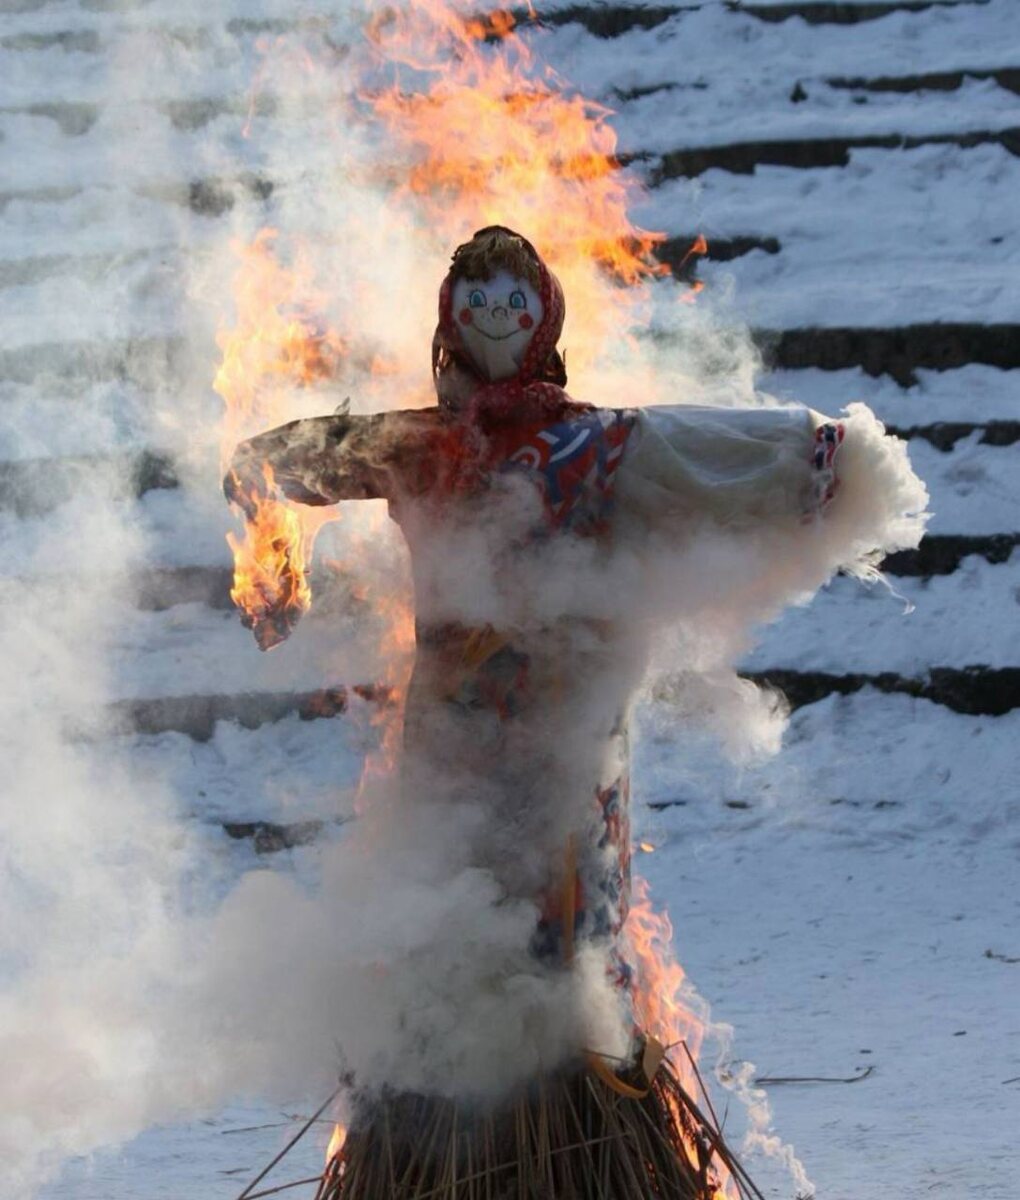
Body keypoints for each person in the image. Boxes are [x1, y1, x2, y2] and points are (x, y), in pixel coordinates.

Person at [225, 226, 926, 1198]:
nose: (498, 322)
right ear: (450, 323)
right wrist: (263, 535)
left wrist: (823, 460)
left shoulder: (593, 440)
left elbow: (702, 446)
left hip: (570, 735)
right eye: (478, 306)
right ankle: (436, 1158)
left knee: (568, 943)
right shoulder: (421, 445)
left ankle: (577, 1161)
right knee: (447, 927)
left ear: (544, 317)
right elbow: (291, 459)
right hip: (452, 731)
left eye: (515, 304)